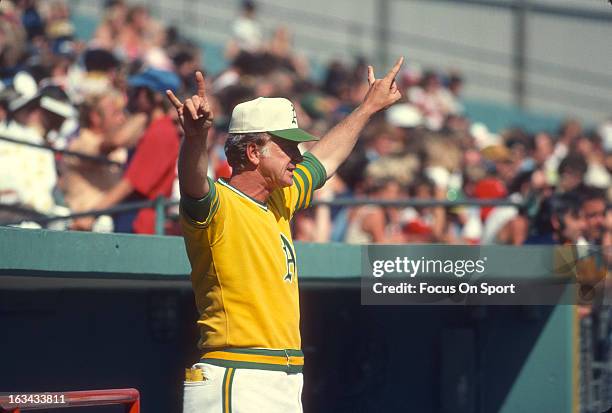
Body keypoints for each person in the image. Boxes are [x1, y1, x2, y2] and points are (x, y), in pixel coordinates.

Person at [169, 57, 403, 412]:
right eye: (288, 147)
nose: (297, 155)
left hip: (284, 377)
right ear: (252, 152)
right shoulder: (219, 206)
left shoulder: (280, 198)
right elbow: (192, 180)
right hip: (237, 373)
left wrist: (367, 108)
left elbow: (324, 159)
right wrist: (197, 137)